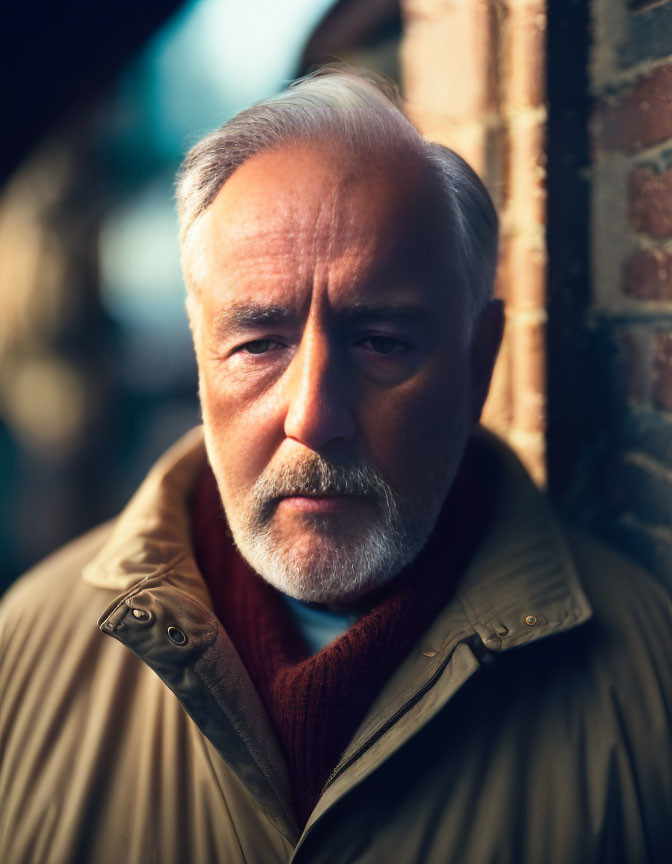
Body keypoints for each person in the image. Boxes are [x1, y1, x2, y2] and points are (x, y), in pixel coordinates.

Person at [1, 70, 670, 864]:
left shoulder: (648, 686)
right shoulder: (25, 656)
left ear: (479, 363)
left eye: (381, 342)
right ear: (199, 356)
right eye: (258, 344)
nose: (313, 417)